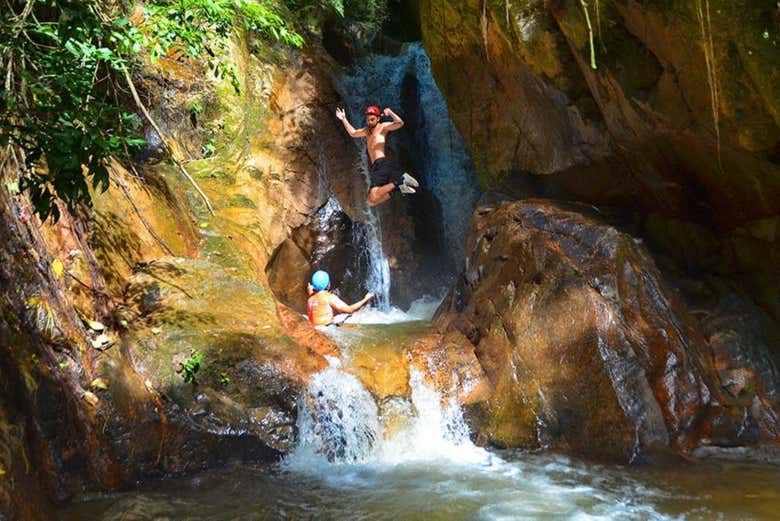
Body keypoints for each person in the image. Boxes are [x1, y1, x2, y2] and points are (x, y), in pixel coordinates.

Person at [336, 105, 419, 206]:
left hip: (382, 163)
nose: (369, 122)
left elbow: (400, 123)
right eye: (368, 120)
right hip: (375, 166)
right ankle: (400, 188)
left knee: (374, 195)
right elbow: (353, 133)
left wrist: (390, 113)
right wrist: (343, 119)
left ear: (378, 118)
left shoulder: (382, 127)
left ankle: (402, 180)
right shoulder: (366, 131)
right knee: (371, 202)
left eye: (372, 119)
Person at [307, 270, 374, 326]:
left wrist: (311, 289)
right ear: (328, 285)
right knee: (353, 316)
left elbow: (314, 295)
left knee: (340, 318)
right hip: (328, 329)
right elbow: (350, 310)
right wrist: (366, 298)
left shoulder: (310, 298)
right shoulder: (329, 297)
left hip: (316, 328)